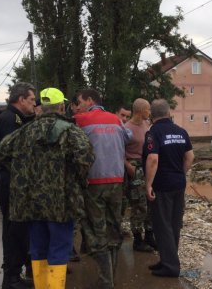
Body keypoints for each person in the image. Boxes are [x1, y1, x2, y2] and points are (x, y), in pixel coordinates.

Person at [0, 88, 94, 289]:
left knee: (38, 248)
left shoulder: (24, 131)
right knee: (59, 248)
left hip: (31, 204)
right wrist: (73, 177)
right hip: (61, 203)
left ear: (41, 107)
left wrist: (23, 173)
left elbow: (2, 151)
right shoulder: (70, 131)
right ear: (61, 107)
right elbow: (86, 158)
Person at [74, 89, 131, 288]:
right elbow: (128, 137)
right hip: (116, 181)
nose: (78, 105)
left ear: (90, 100)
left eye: (80, 101)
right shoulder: (116, 120)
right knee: (114, 229)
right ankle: (110, 278)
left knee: (96, 231)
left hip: (94, 183)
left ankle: (106, 281)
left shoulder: (80, 120)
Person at [0, 82, 37, 289]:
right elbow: (11, 154)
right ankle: (11, 278)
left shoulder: (16, 118)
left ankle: (15, 275)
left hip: (14, 180)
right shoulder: (10, 119)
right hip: (11, 181)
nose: (35, 104)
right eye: (32, 100)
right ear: (21, 99)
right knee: (13, 230)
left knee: (18, 228)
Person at [144, 99, 194, 277]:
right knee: (173, 224)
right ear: (168, 113)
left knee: (162, 225)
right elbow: (190, 156)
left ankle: (171, 267)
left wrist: (148, 183)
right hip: (178, 184)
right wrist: (180, 173)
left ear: (152, 115)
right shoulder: (181, 131)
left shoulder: (153, 133)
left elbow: (153, 159)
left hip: (161, 185)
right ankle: (166, 260)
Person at [124, 98, 155, 252]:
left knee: (150, 202)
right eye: (148, 109)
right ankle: (137, 239)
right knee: (138, 205)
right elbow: (118, 150)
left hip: (146, 166)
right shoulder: (126, 128)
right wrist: (127, 165)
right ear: (141, 110)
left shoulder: (146, 125)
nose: (149, 112)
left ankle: (149, 235)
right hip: (134, 169)